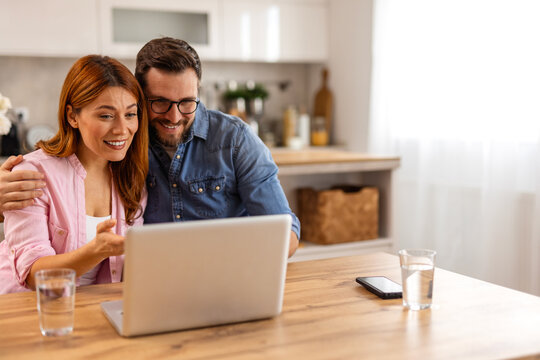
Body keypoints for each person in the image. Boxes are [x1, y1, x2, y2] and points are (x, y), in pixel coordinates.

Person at [0, 37, 300, 257]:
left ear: (199, 93)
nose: (174, 116)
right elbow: (63, 178)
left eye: (186, 102)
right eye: (160, 102)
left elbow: (286, 231)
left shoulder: (234, 139)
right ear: (139, 97)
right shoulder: (121, 145)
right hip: (151, 284)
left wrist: (241, 262)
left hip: (229, 274)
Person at [0, 55, 148, 293]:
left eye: (130, 114)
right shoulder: (32, 174)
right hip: (24, 308)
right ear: (72, 116)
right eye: (106, 115)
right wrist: (96, 251)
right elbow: (33, 274)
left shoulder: (131, 178)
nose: (122, 129)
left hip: (92, 309)